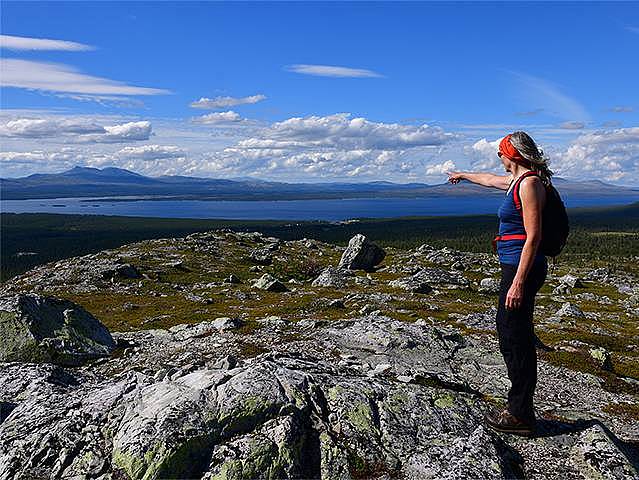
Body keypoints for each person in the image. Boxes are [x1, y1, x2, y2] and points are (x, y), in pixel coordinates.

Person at [447, 131, 553, 437]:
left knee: (514, 335)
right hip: (516, 266)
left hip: (523, 268)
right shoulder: (517, 182)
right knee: (512, 332)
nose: (499, 158)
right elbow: (489, 179)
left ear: (514, 154)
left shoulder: (530, 184)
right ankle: (520, 409)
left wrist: (518, 282)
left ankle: (520, 414)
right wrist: (463, 175)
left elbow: (533, 237)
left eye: (500, 152)